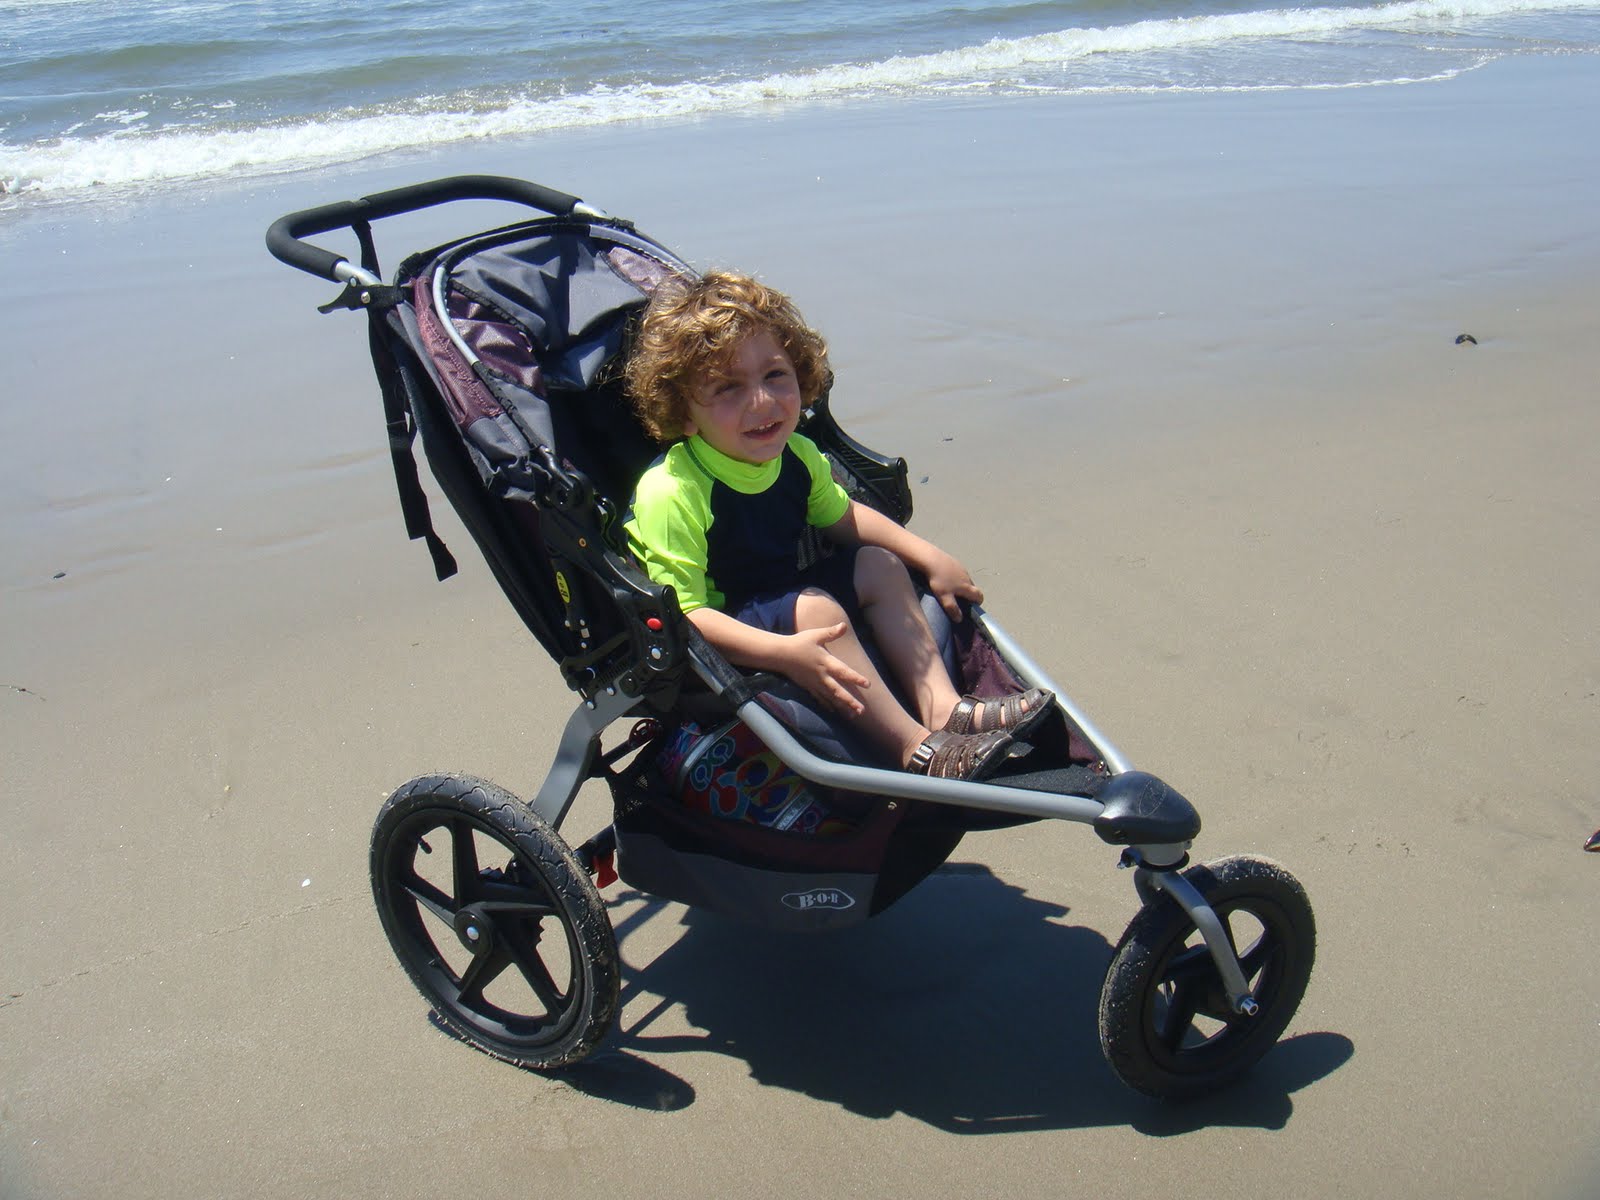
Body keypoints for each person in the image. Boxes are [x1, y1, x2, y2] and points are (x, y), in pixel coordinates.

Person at [624, 270, 1052, 782]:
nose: (761, 402)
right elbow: (688, 615)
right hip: (729, 629)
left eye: (775, 376)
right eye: (727, 389)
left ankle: (943, 707)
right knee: (815, 606)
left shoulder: (799, 455)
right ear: (685, 414)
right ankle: (914, 748)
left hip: (788, 597)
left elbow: (843, 516)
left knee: (879, 563)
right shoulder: (673, 491)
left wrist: (930, 556)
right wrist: (785, 655)